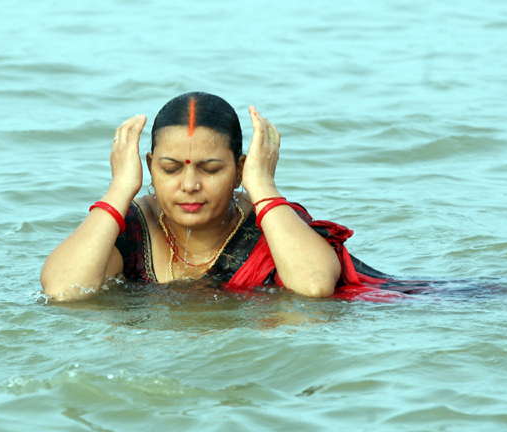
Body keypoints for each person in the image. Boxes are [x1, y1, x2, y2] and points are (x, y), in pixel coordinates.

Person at [41, 92, 438, 303]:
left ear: (238, 170)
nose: (189, 184)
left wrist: (261, 186)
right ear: (149, 166)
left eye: (211, 169)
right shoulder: (129, 228)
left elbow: (315, 287)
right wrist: (119, 189)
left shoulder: (272, 223)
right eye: (170, 168)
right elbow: (62, 291)